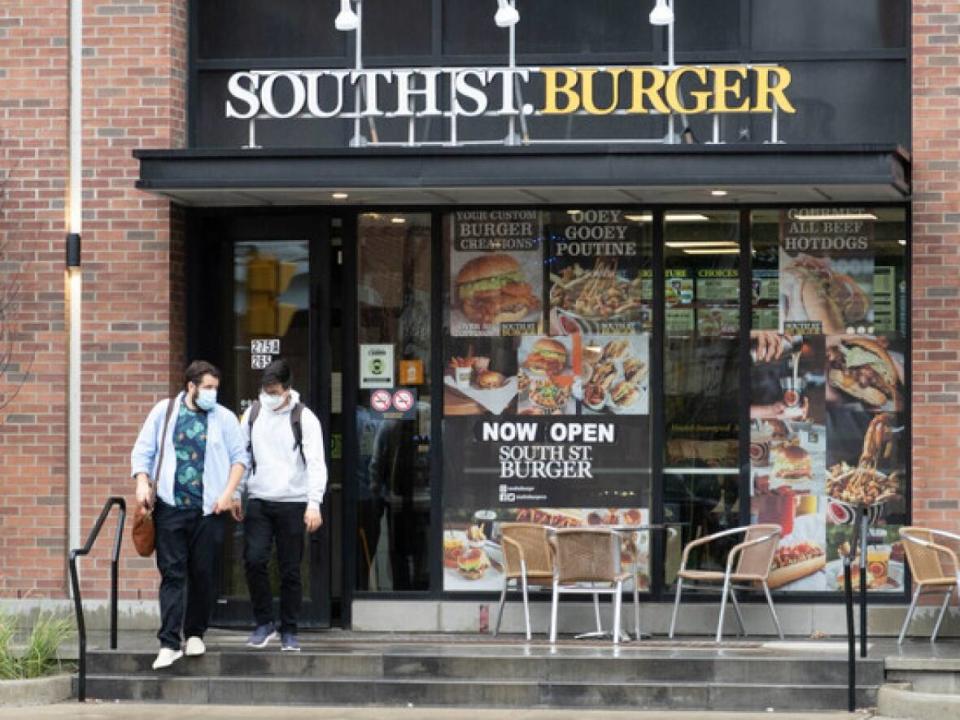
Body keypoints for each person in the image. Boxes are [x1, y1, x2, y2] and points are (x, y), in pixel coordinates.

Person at [131, 360, 246, 670]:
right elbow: (143, 451)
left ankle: (195, 632)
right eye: (207, 387)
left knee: (204, 574)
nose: (212, 393)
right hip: (170, 508)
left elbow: (240, 460)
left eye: (216, 388)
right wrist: (142, 482)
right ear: (191, 386)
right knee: (172, 574)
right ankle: (168, 642)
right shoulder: (165, 411)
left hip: (210, 510)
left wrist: (229, 494)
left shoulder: (223, 418)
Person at [240, 358, 326, 652]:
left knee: (290, 569)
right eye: (266, 390)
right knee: (254, 560)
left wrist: (314, 503)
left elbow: (316, 464)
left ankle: (289, 629)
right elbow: (241, 458)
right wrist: (239, 494)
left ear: (288, 389)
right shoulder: (251, 414)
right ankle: (264, 623)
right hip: (259, 499)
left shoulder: (305, 418)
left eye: (275, 391)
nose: (270, 396)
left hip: (293, 501)